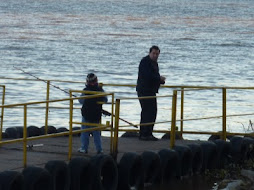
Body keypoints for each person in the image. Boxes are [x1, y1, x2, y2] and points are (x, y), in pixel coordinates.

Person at [136, 45, 166, 141]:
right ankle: (144, 134)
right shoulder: (145, 62)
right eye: (153, 53)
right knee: (147, 111)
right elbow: (147, 76)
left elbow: (153, 76)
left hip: (151, 90)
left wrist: (160, 80)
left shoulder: (154, 63)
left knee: (152, 112)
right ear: (150, 53)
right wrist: (159, 79)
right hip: (144, 90)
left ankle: (148, 133)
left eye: (157, 54)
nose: (155, 55)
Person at [78, 73, 107, 154]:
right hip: (96, 115)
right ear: (96, 80)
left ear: (87, 81)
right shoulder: (100, 90)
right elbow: (105, 100)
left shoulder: (85, 90)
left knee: (84, 132)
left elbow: (80, 101)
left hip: (86, 114)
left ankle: (84, 148)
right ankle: (99, 149)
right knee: (96, 133)